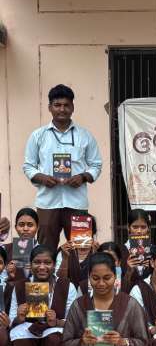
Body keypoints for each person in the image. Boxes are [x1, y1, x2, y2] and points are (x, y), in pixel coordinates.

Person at [23, 84, 102, 252]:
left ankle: (79, 271)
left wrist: (83, 177)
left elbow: (96, 164)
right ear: (49, 107)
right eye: (57, 105)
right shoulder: (38, 136)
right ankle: (47, 272)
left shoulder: (85, 135)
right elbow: (28, 166)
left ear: (73, 107)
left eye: (66, 105)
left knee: (81, 250)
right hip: (47, 203)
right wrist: (42, 178)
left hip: (77, 202)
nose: (62, 109)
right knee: (45, 251)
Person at [6, 244, 77, 346]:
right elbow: (12, 320)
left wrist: (57, 322)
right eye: (37, 262)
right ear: (30, 264)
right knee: (20, 336)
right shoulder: (20, 286)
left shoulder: (66, 286)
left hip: (54, 328)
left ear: (54, 264)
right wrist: (19, 318)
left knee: (54, 338)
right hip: (30, 327)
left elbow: (73, 320)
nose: (42, 267)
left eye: (47, 262)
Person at [56, 215, 99, 288]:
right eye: (78, 229)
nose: (82, 233)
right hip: (69, 294)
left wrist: (96, 255)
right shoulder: (65, 250)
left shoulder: (99, 251)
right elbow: (59, 281)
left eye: (85, 229)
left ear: (92, 231)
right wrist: (65, 258)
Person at [4, 208, 39, 283]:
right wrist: (8, 275)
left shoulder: (45, 252)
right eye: (21, 225)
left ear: (37, 227)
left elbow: (52, 281)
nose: (25, 229)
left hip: (37, 289)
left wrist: (37, 274)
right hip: (13, 290)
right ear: (16, 227)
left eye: (30, 225)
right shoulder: (5, 249)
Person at [121, 209, 153, 282]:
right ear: (128, 227)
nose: (139, 231)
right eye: (135, 227)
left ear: (148, 228)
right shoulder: (120, 250)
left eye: (143, 227)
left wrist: (152, 266)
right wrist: (128, 269)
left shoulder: (154, 250)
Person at [0, 246, 11, 346]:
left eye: (0, 262)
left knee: (2, 335)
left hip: (1, 326)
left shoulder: (8, 287)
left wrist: (7, 323)